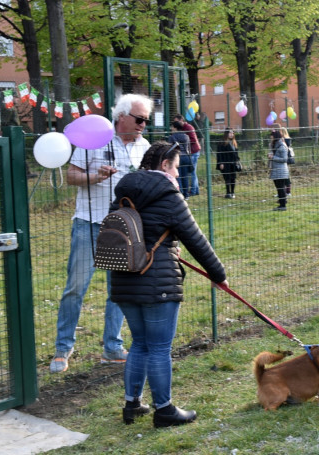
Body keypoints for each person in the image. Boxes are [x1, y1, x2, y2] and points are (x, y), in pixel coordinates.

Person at [110, 141, 227, 428]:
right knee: (160, 347)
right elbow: (195, 239)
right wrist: (218, 274)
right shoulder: (168, 194)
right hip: (157, 281)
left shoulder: (123, 193)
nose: (177, 173)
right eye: (175, 167)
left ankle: (132, 404)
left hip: (123, 279)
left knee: (139, 343)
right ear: (164, 165)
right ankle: (164, 410)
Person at [50, 93, 153, 373]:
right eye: (139, 118)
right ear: (121, 117)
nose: (144, 124)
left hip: (122, 228)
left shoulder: (144, 146)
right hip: (89, 223)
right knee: (75, 288)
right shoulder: (95, 139)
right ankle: (63, 348)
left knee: (117, 290)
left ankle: (112, 347)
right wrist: (97, 177)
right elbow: (71, 176)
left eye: (146, 119)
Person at [0, 94, 38, 178]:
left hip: (14, 132)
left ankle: (25, 172)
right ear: (11, 97)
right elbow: (5, 122)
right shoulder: (9, 108)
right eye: (16, 97)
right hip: (12, 133)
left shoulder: (12, 107)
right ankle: (24, 173)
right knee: (17, 153)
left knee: (17, 153)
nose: (18, 99)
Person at [173, 113, 202, 197]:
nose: (175, 123)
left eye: (176, 121)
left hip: (193, 152)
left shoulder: (188, 127)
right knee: (192, 172)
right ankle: (195, 190)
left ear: (181, 120)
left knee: (192, 172)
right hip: (189, 152)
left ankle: (193, 191)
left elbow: (193, 140)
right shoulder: (183, 128)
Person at [167, 121, 192, 198]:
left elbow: (170, 148)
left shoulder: (172, 137)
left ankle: (180, 194)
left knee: (178, 176)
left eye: (172, 127)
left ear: (175, 127)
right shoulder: (186, 136)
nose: (171, 128)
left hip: (177, 157)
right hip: (186, 157)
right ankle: (186, 194)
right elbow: (188, 148)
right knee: (185, 176)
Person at [268, 130, 290, 211]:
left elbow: (284, 159)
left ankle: (283, 205)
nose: (271, 137)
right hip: (276, 170)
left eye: (272, 135)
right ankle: (282, 202)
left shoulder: (282, 146)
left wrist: (273, 157)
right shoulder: (275, 145)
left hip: (281, 170)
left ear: (276, 136)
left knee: (280, 188)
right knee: (279, 187)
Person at [216, 127, 240, 199]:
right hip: (225, 163)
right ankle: (228, 192)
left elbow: (236, 154)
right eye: (230, 133)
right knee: (227, 178)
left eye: (232, 133)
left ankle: (232, 192)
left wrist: (238, 161)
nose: (231, 134)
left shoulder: (234, 143)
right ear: (226, 134)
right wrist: (221, 163)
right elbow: (219, 154)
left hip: (233, 163)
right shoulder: (222, 143)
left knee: (233, 178)